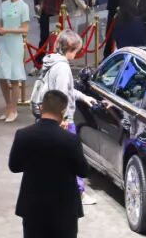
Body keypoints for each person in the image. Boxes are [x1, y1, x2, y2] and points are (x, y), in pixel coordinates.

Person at [8, 90, 88, 238]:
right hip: (64, 210)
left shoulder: (23, 135)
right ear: (63, 112)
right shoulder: (70, 140)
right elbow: (83, 170)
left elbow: (14, 166)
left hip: (33, 208)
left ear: (41, 107)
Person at [36, 30, 99, 206]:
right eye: (77, 50)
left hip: (49, 117)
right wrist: (63, 119)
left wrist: (83, 97)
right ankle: (78, 193)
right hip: (63, 120)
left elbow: (66, 90)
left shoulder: (51, 62)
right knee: (73, 157)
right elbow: (63, 93)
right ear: (71, 48)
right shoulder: (63, 68)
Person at [0, 0, 30, 123]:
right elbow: (1, 24)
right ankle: (8, 106)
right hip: (4, 43)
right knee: (1, 75)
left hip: (15, 44)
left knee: (14, 77)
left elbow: (25, 29)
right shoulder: (4, 5)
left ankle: (13, 109)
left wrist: (8, 30)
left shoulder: (23, 6)